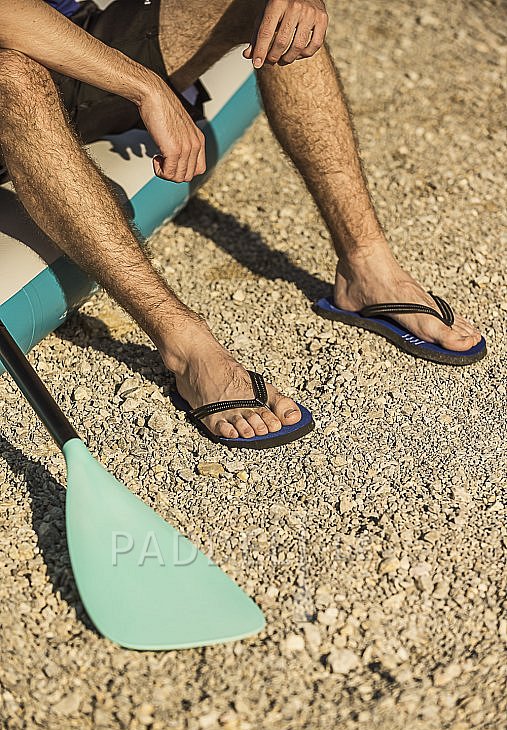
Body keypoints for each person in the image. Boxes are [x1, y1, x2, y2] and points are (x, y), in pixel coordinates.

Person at [0, 0, 484, 448]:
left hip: (71, 32)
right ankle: (185, 346)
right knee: (14, 77)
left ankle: (367, 267)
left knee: (276, 11)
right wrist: (145, 86)